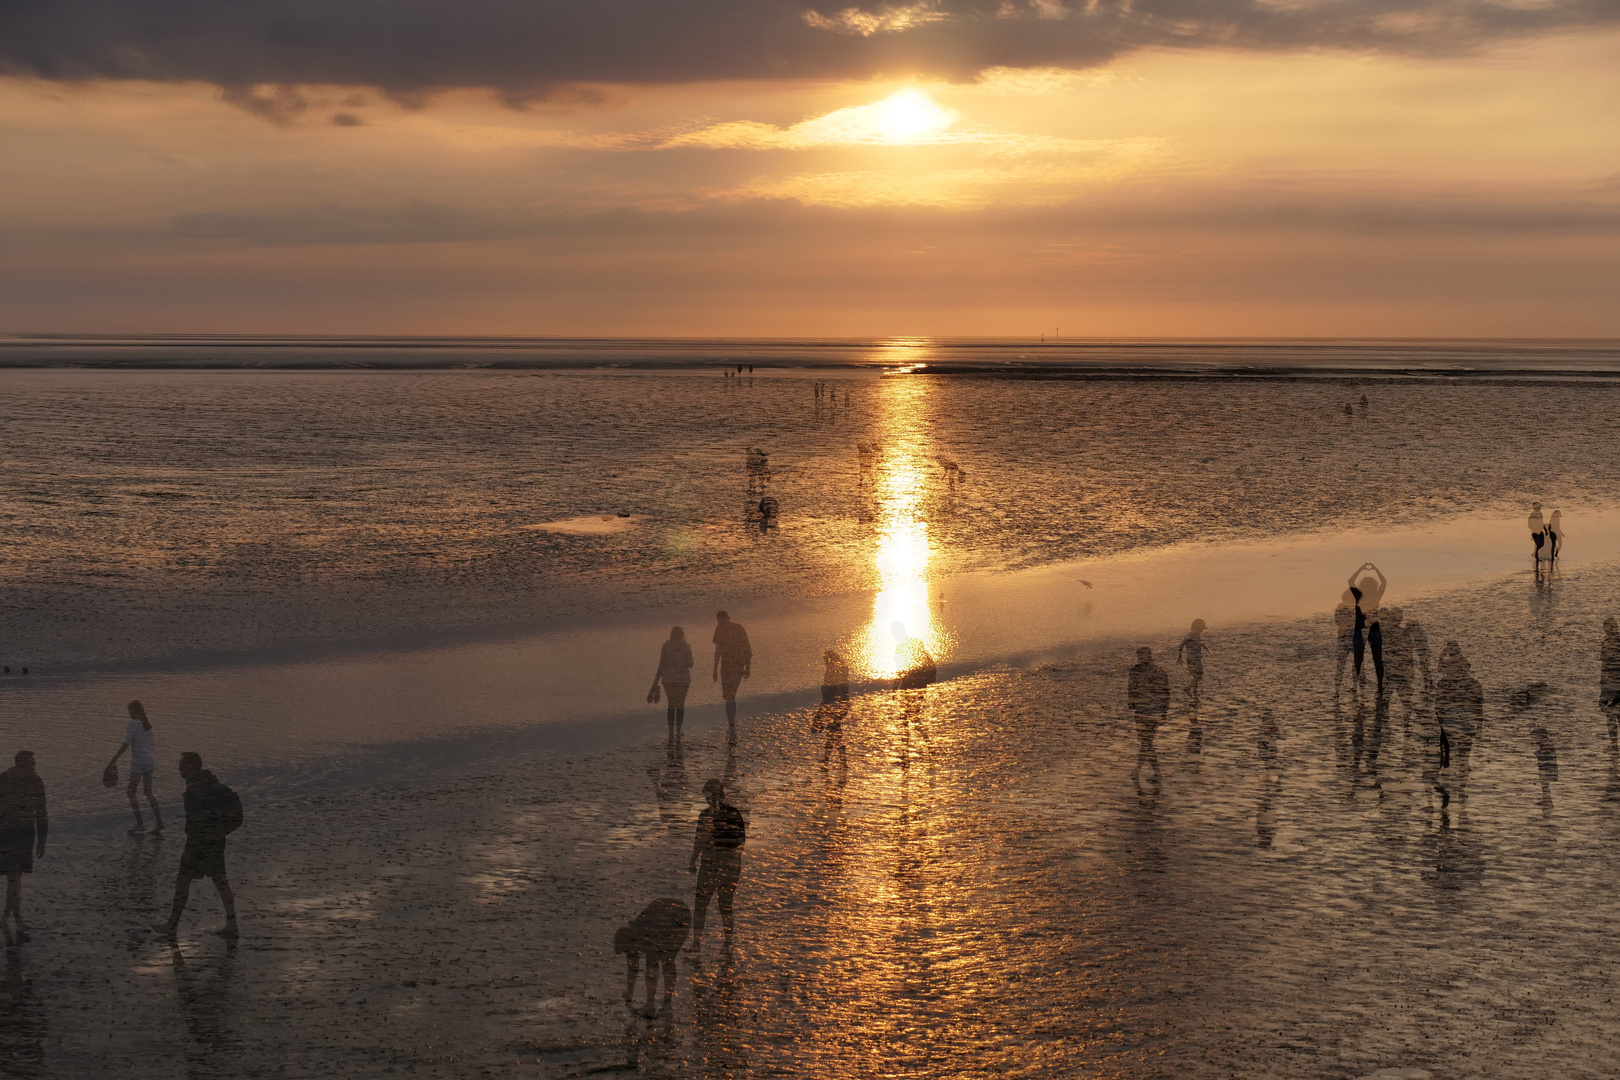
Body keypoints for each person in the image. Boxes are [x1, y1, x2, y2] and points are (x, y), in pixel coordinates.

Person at [151, 753, 242, 940]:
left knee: (184, 882)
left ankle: (172, 925)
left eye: (182, 766)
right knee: (220, 881)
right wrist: (223, 831)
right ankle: (232, 924)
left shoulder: (196, 791)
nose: (179, 769)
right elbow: (237, 813)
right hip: (214, 843)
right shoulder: (216, 786)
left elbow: (195, 824)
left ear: (192, 768)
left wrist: (218, 832)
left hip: (199, 845)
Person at [688, 779, 745, 952]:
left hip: (710, 865)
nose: (706, 800)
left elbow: (700, 840)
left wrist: (692, 861)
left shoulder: (706, 815)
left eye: (707, 796)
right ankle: (728, 943)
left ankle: (697, 944)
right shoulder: (735, 813)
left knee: (701, 904)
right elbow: (741, 842)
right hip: (732, 866)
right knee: (726, 905)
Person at [614, 898, 691, 1016]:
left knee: (665, 960)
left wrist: (630, 992)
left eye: (627, 950)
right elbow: (633, 965)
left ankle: (663, 1005)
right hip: (669, 915)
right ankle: (655, 1005)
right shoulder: (634, 936)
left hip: (678, 917)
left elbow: (641, 965)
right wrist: (629, 992)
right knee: (659, 961)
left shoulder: (643, 933)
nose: (630, 954)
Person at [0, 752, 47, 939]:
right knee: (14, 879)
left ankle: (6, 917)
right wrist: (42, 840)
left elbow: (41, 812)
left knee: (15, 880)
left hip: (21, 836)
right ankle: (16, 920)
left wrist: (42, 840)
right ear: (19, 764)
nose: (33, 767)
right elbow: (41, 812)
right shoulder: (32, 781)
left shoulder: (5, 779)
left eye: (34, 764)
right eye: (30, 764)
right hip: (13, 836)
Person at [107, 700, 164, 836]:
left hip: (139, 763)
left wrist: (113, 760)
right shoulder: (148, 726)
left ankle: (140, 824)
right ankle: (159, 822)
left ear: (134, 712)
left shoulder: (133, 725)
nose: (129, 715)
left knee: (131, 792)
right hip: (150, 762)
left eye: (130, 712)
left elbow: (125, 744)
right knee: (148, 792)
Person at [1127, 647, 1170, 783]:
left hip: (1150, 711)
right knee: (1146, 742)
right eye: (1140, 656)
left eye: (1143, 656)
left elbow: (1165, 692)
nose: (1141, 659)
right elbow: (1131, 689)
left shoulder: (1157, 671)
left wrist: (1164, 712)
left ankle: (1154, 772)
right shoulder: (1136, 671)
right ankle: (1138, 770)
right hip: (1143, 710)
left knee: (1146, 742)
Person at [1348, 563, 1388, 690]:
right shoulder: (1376, 596)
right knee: (1377, 659)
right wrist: (1375, 569)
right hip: (1374, 630)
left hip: (1359, 631)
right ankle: (1380, 685)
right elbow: (1384, 581)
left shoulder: (1359, 597)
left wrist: (1361, 568)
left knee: (1358, 660)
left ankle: (1355, 685)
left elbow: (1350, 580)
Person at [711, 612, 752, 728]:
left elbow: (746, 647)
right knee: (730, 696)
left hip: (732, 666)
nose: (720, 622)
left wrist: (748, 667)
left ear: (725, 619)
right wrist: (748, 666)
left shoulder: (730, 629)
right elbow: (746, 648)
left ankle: (731, 722)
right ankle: (731, 722)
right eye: (718, 621)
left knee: (730, 695)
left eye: (721, 620)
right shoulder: (729, 629)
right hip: (732, 666)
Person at [652, 627, 694, 733]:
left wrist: (655, 682)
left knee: (671, 704)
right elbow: (691, 664)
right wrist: (681, 662)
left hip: (668, 680)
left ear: (671, 634)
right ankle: (678, 729)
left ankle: (671, 730)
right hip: (683, 680)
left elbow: (661, 664)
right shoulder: (686, 646)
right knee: (680, 704)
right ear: (682, 634)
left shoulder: (666, 646)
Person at [816, 649, 851, 767]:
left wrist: (820, 712)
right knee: (833, 732)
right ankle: (831, 759)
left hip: (834, 706)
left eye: (826, 659)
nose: (825, 661)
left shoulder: (832, 671)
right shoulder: (842, 670)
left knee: (833, 731)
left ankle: (840, 761)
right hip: (841, 706)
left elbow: (829, 692)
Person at [891, 622, 936, 691]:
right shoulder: (917, 642)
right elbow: (927, 660)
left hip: (908, 683)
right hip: (920, 683)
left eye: (893, 632)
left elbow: (899, 668)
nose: (893, 635)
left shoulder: (900, 646)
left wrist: (895, 688)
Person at [1176, 619, 1209, 700]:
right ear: (1196, 628)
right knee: (1197, 676)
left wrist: (1202, 645)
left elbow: (1195, 643)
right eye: (1201, 628)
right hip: (1192, 659)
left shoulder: (1197, 635)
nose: (1202, 630)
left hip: (1197, 658)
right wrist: (1179, 657)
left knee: (1197, 676)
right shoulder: (1190, 635)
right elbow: (1182, 645)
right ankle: (1189, 689)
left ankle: (1194, 694)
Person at [1333, 591, 1356, 696]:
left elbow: (1336, 621)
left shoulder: (1340, 607)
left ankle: (1337, 690)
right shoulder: (1357, 607)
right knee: (1357, 664)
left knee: (1340, 665)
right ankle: (1355, 686)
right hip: (1355, 638)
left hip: (1342, 638)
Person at [1602, 617, 1620, 709]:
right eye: (1608, 627)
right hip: (1610, 679)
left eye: (1613, 626)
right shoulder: (1605, 643)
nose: (1611, 629)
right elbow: (1604, 663)